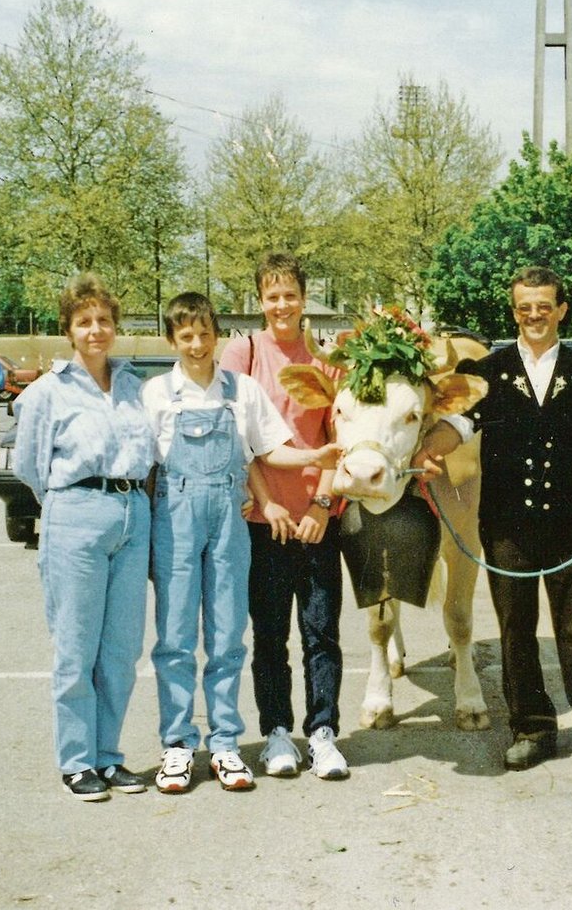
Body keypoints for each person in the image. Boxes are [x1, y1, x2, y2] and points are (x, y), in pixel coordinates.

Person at [412, 266, 572, 775]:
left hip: (570, 524)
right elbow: (457, 426)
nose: (535, 315)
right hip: (506, 526)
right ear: (515, 312)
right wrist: (428, 450)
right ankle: (532, 728)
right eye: (524, 307)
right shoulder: (489, 373)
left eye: (544, 306)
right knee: (515, 629)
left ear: (561, 311)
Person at [142, 292, 340, 794]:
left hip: (230, 517)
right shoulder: (156, 394)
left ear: (216, 335)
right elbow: (142, 466)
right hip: (176, 517)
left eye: (205, 333)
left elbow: (271, 449)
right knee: (176, 637)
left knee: (229, 636)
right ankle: (179, 746)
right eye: (186, 335)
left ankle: (226, 743)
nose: (197, 344)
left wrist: (320, 453)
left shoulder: (242, 390)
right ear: (172, 340)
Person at [12, 273, 155, 801]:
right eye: (84, 322)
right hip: (76, 512)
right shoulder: (47, 393)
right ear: (69, 331)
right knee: (76, 646)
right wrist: (68, 509)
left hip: (132, 512)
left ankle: (109, 756)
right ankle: (76, 762)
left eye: (103, 320)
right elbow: (29, 465)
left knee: (121, 648)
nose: (96, 330)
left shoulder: (134, 386)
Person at [219, 252, 349, 780]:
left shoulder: (328, 361)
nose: (281, 305)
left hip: (319, 519)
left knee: (321, 633)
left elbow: (343, 442)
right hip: (263, 521)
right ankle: (277, 733)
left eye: (290, 295)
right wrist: (267, 501)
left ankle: (322, 735)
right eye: (271, 296)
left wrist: (321, 504)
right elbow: (235, 437)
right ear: (260, 301)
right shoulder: (242, 352)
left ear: (304, 298)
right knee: (270, 635)